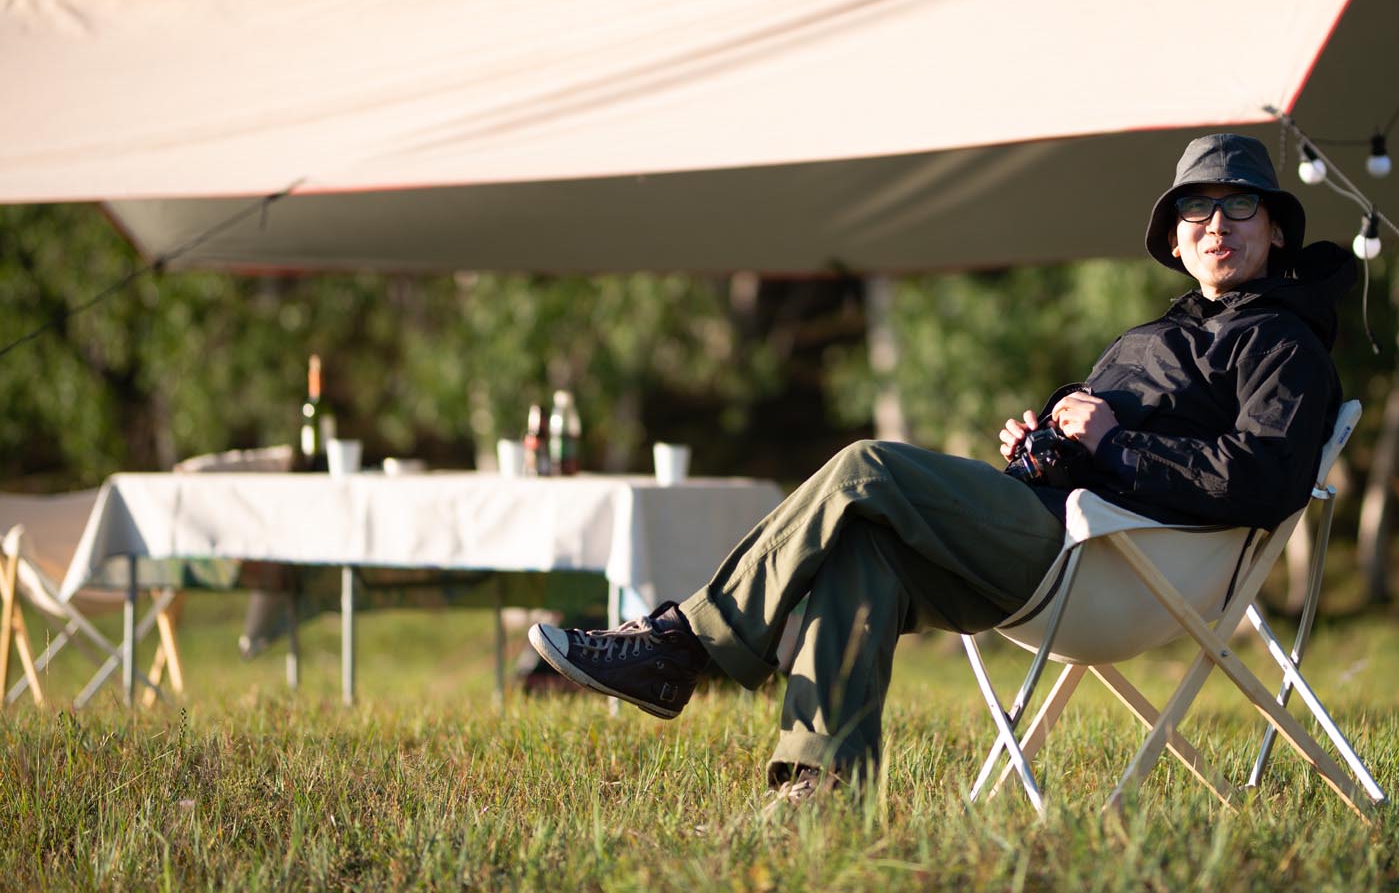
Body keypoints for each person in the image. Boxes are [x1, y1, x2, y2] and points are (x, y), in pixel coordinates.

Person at [527, 133, 1352, 801]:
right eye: (1195, 209)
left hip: (1121, 568)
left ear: (1276, 227)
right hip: (1063, 537)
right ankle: (822, 786)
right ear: (1174, 239)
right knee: (863, 549)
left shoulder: (1281, 340)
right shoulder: (1165, 331)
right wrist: (1050, 442)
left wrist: (1114, 445)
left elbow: (1264, 477)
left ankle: (685, 642)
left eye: (1237, 204)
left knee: (865, 468)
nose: (1216, 223)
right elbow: (1112, 433)